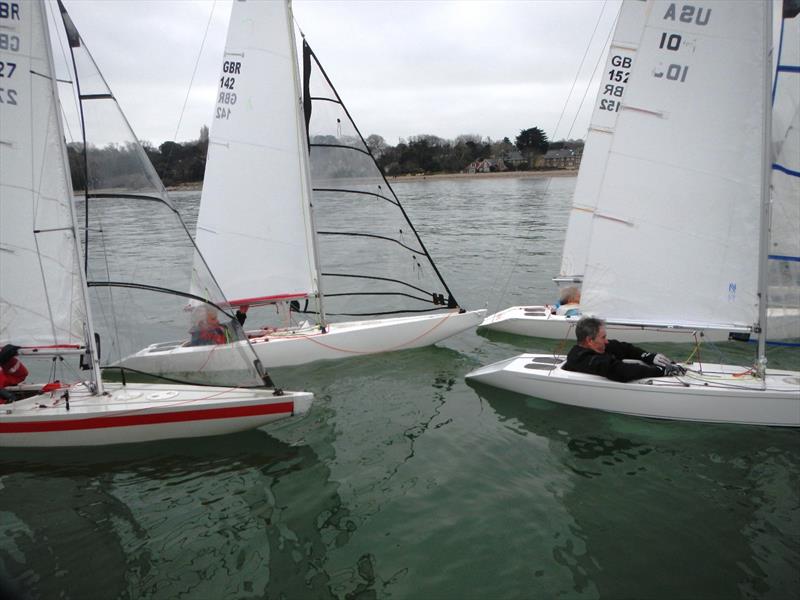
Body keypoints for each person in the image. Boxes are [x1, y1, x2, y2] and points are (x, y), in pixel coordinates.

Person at [562, 316, 686, 382]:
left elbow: (626, 348)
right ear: (589, 340)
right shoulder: (580, 358)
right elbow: (620, 372)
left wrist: (649, 356)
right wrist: (661, 371)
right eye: (603, 337)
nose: (606, 341)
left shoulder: (601, 346)